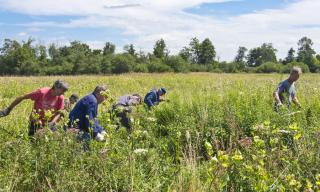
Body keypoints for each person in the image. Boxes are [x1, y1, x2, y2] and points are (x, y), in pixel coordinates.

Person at [0, 80, 68, 136]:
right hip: (35, 122)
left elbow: (59, 112)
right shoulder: (42, 92)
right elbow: (22, 97)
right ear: (56, 87)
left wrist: (52, 123)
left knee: (56, 138)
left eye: (64, 91)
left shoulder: (60, 97)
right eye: (62, 91)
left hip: (49, 123)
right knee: (34, 141)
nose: (63, 93)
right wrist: (8, 109)